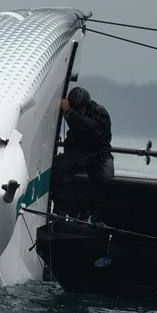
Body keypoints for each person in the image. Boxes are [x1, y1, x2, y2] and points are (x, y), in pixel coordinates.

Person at [53, 86, 114, 221]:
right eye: (75, 110)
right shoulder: (73, 115)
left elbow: (88, 127)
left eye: (80, 110)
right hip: (80, 152)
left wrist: (69, 111)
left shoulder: (100, 113)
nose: (79, 113)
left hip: (100, 153)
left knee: (106, 179)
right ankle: (61, 211)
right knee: (60, 167)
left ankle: (98, 217)